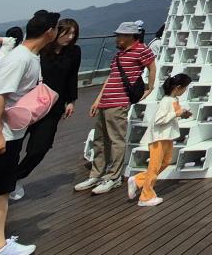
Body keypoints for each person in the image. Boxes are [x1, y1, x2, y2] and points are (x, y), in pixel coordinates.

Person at [0, 9, 59, 255]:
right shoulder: (20, 59)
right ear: (50, 32)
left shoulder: (30, 57)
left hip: (8, 136)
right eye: (57, 29)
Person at [74, 21, 156, 196]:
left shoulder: (141, 50)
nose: (116, 39)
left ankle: (113, 177)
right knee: (100, 140)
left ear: (130, 36)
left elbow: (151, 65)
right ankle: (96, 174)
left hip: (119, 102)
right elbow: (112, 77)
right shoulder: (119, 55)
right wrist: (98, 100)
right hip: (106, 101)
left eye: (120, 36)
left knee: (116, 140)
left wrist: (150, 87)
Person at [12, 19, 81, 200]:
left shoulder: (74, 52)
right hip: (29, 104)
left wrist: (71, 100)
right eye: (66, 33)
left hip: (53, 106)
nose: (70, 37)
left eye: (73, 34)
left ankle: (15, 177)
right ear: (56, 32)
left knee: (40, 148)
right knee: (14, 145)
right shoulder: (41, 50)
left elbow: (72, 76)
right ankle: (1, 182)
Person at [127, 73, 191, 207]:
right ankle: (145, 197)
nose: (185, 90)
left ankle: (138, 180)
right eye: (185, 88)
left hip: (167, 136)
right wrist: (177, 113)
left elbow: (172, 115)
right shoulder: (166, 101)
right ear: (178, 87)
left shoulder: (173, 100)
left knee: (165, 162)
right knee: (154, 166)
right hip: (158, 137)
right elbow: (159, 119)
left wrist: (182, 114)